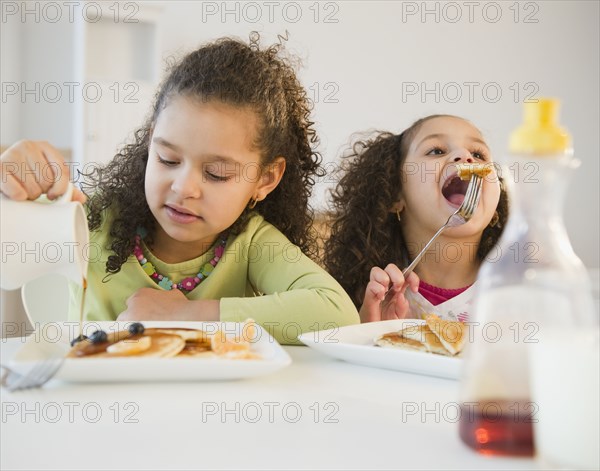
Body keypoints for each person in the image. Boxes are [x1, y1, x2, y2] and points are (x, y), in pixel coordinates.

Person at [0, 34, 359, 344]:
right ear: (151, 140)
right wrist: (14, 185)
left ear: (265, 179)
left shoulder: (250, 244)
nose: (184, 187)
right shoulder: (95, 220)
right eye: (168, 159)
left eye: (217, 174)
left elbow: (336, 312)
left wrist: (189, 315)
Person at [324, 115, 509, 323]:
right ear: (395, 193)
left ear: (495, 207)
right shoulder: (375, 296)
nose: (465, 156)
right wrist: (371, 328)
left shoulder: (517, 290)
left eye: (478, 154)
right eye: (437, 151)